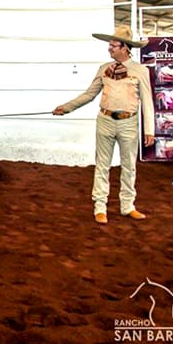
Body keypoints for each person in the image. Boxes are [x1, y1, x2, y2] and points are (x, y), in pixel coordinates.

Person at [52, 25, 154, 225]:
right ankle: (100, 207)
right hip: (105, 120)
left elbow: (147, 101)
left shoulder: (140, 71)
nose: (109, 48)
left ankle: (128, 206)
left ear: (125, 48)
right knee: (102, 165)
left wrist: (149, 130)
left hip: (129, 122)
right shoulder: (103, 69)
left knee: (129, 166)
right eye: (110, 45)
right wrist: (67, 107)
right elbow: (90, 94)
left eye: (113, 45)